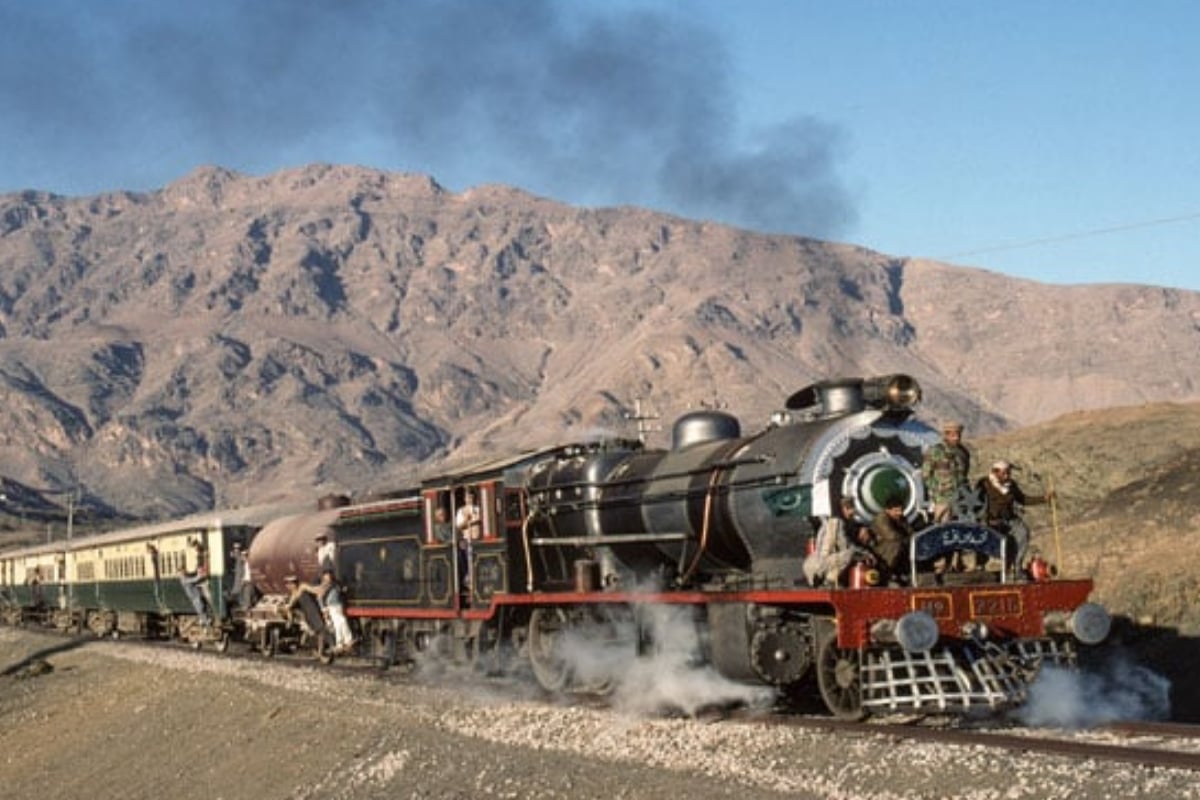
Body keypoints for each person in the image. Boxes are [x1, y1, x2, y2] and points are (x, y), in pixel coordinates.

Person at [977, 460, 1053, 570]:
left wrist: (1043, 499)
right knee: (982, 537)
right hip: (990, 521)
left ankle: (1016, 566)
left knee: (1023, 532)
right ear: (995, 472)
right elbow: (976, 502)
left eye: (1008, 472)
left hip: (1009, 519)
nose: (1007, 475)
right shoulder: (984, 484)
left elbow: (1022, 499)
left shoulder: (1011, 485)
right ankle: (980, 565)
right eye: (1004, 473)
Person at [803, 497, 870, 587]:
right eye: (851, 509)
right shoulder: (838, 523)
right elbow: (845, 545)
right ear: (845, 509)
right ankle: (829, 580)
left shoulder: (827, 522)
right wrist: (866, 554)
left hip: (815, 561)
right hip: (825, 562)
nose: (853, 513)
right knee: (850, 554)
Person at [922, 421, 971, 522]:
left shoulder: (963, 452)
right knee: (943, 527)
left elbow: (965, 473)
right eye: (953, 435)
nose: (956, 438)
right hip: (942, 499)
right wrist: (938, 489)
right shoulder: (936, 451)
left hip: (961, 497)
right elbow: (926, 475)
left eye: (958, 435)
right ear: (946, 435)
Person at [868, 496, 913, 584]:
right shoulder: (881, 518)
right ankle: (886, 573)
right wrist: (907, 540)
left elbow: (911, 533)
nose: (899, 513)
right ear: (888, 510)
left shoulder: (901, 518)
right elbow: (891, 536)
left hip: (894, 549)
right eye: (896, 510)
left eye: (901, 510)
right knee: (896, 544)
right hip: (880, 550)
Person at [179, 539, 214, 625]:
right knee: (200, 608)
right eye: (182, 570)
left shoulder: (185, 576)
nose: (183, 571)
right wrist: (199, 575)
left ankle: (204, 620)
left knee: (202, 606)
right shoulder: (183, 579)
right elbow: (193, 580)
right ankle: (205, 621)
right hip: (194, 596)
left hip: (196, 594)